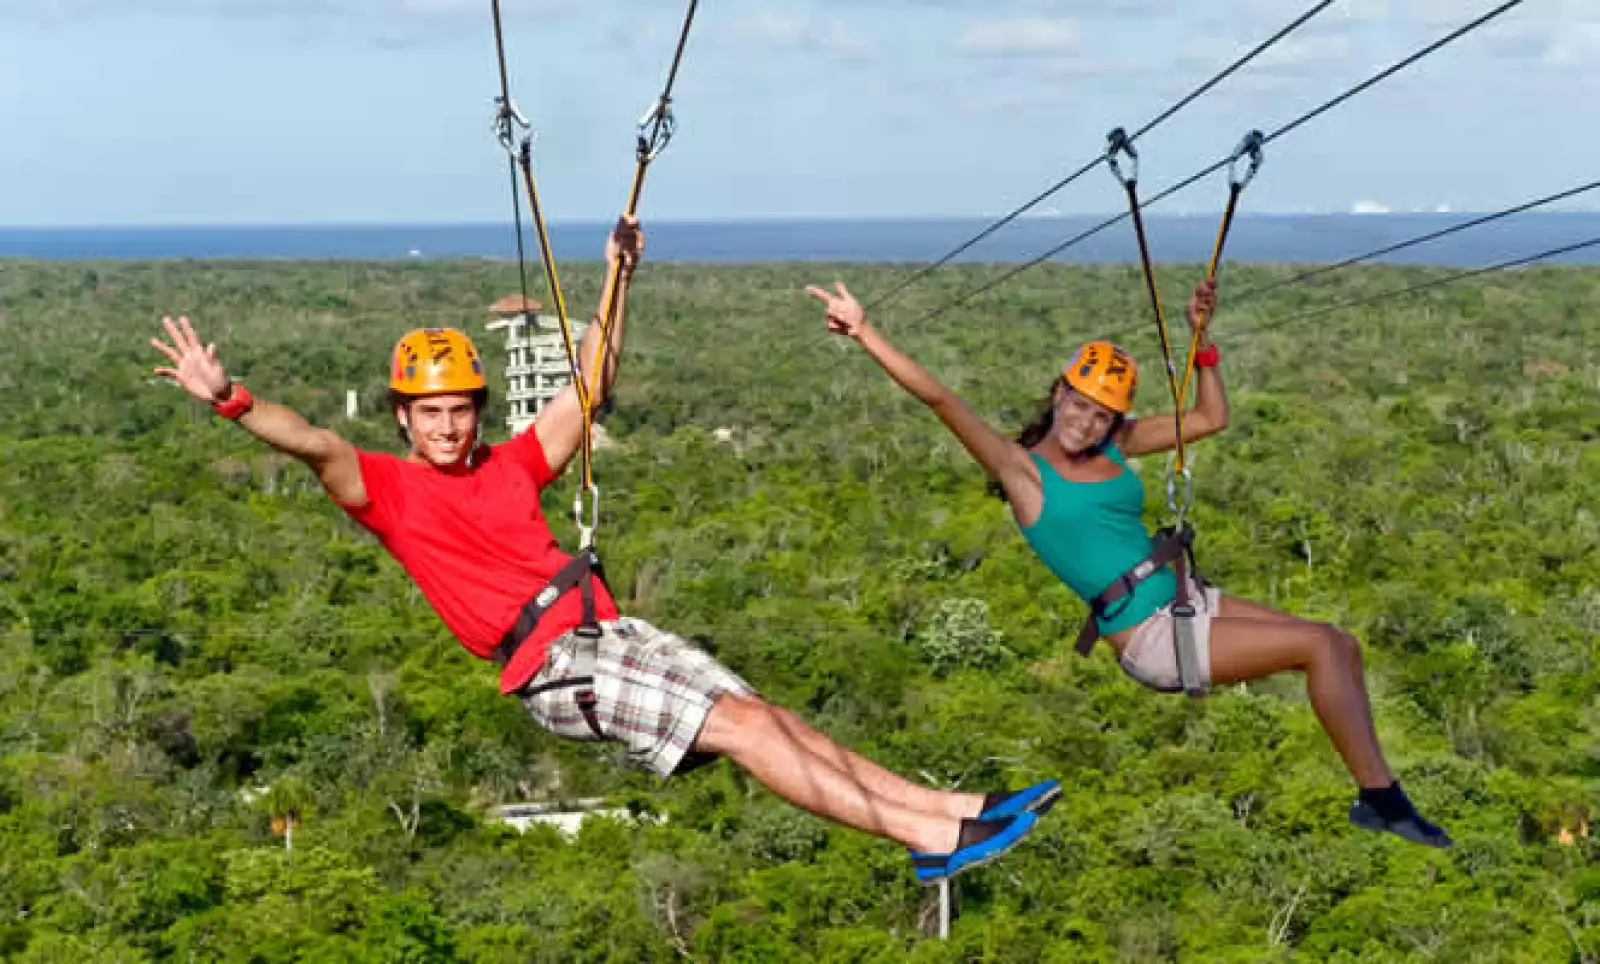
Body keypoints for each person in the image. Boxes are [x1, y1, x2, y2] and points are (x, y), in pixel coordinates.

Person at [148, 216, 1057, 884]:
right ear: (402, 416)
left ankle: (953, 812)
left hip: (608, 632)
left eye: (460, 407)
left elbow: (590, 386)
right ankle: (929, 840)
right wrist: (230, 397)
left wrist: (617, 277)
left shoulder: (511, 465)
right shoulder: (386, 490)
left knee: (763, 713)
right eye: (429, 411)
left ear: (478, 408)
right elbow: (311, 440)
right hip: (553, 666)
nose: (447, 425)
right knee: (742, 731)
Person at [806, 278, 1451, 849]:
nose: (1086, 424)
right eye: (1079, 405)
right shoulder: (1023, 472)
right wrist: (866, 332)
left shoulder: (1115, 446)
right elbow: (942, 400)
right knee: (1319, 646)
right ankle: (1383, 801)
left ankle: (1376, 791)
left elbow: (1209, 417)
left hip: (1188, 599)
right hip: (1155, 638)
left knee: (1341, 644)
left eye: (1101, 413)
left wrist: (1203, 343)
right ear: (1058, 394)